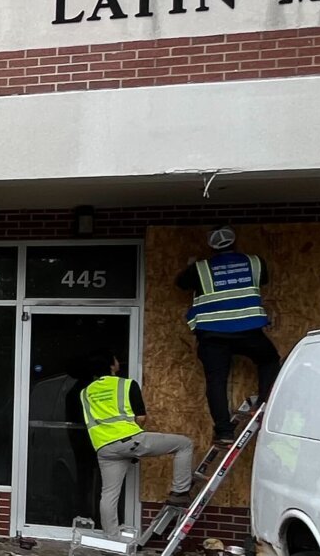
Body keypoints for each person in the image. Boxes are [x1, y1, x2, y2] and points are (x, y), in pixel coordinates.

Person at [177, 226, 281, 441]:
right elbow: (263, 280)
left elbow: (181, 283)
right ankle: (263, 405)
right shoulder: (255, 262)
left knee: (216, 381)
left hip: (213, 335)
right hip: (249, 331)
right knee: (269, 360)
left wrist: (190, 265)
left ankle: (224, 432)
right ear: (235, 242)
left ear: (211, 246)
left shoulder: (200, 269)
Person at [81, 352, 192, 537]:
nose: (118, 362)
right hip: (129, 440)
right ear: (111, 365)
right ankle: (180, 492)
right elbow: (141, 417)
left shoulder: (85, 392)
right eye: (116, 359)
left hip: (105, 448)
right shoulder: (126, 384)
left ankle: (111, 538)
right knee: (184, 444)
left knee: (108, 494)